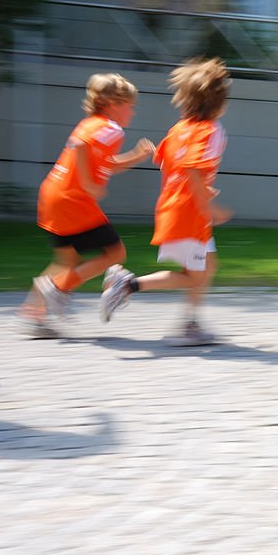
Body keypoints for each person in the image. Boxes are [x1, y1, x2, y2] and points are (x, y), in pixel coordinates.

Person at [99, 58, 233, 346]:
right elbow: (194, 170)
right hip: (191, 212)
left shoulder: (179, 129)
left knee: (207, 267)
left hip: (172, 206)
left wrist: (201, 192)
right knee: (193, 276)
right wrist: (208, 203)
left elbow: (168, 163)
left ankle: (191, 324)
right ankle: (128, 285)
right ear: (218, 102)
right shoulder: (210, 130)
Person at [24, 73, 155, 336]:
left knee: (67, 260)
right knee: (115, 254)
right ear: (113, 104)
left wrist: (136, 156)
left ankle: (33, 316)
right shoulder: (111, 128)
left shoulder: (92, 124)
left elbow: (104, 162)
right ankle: (59, 290)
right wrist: (89, 183)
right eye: (130, 105)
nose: (133, 111)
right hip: (73, 199)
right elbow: (80, 146)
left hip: (52, 195)